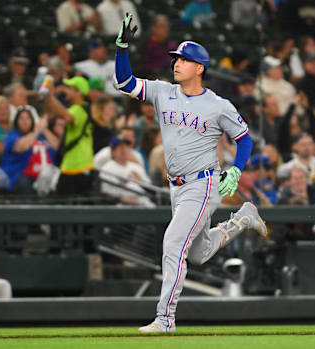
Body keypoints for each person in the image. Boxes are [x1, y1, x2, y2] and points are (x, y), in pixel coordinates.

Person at [114, 14, 266, 333]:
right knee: (198, 253)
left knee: (173, 243)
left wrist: (236, 169)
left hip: (203, 184)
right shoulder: (162, 92)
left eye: (184, 59)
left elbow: (244, 139)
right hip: (176, 187)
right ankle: (243, 218)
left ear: (199, 68)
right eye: (176, 59)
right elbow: (125, 83)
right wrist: (122, 49)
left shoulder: (218, 105)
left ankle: (165, 319)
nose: (177, 64)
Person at [43, 76, 95, 196]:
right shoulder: (77, 108)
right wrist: (48, 97)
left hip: (79, 165)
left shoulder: (80, 109)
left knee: (64, 206)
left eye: (69, 88)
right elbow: (54, 111)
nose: (66, 90)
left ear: (79, 92)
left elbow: (67, 117)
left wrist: (50, 96)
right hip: (73, 164)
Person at [0, 109, 56, 194]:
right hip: (22, 175)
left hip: (46, 174)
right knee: (24, 182)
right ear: (16, 122)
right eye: (21, 118)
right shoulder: (13, 136)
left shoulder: (42, 137)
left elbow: (57, 146)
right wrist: (36, 130)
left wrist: (44, 129)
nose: (25, 121)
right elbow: (21, 147)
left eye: (28, 118)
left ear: (32, 121)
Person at [99, 136, 154, 207]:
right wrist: (120, 198)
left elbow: (152, 190)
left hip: (143, 202)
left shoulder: (136, 167)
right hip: (120, 205)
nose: (124, 149)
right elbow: (105, 192)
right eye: (120, 147)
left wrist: (140, 181)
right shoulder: (106, 168)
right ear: (112, 152)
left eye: (126, 146)